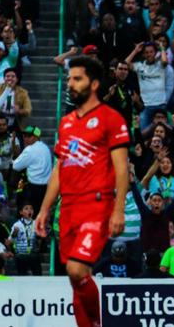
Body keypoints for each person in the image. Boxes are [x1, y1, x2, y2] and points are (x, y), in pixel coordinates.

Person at [35, 56, 130, 327]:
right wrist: (44, 208)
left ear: (95, 83)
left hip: (97, 204)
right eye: (69, 79)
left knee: (77, 270)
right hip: (69, 207)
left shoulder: (111, 119)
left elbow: (121, 169)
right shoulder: (66, 123)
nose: (71, 84)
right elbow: (59, 169)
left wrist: (119, 209)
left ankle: (97, 323)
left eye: (77, 79)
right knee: (77, 277)